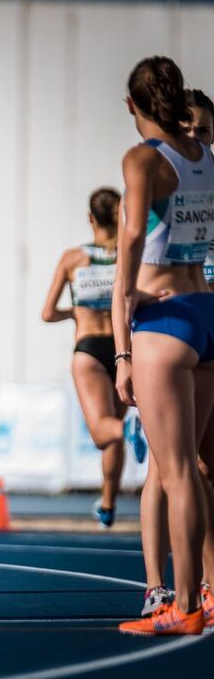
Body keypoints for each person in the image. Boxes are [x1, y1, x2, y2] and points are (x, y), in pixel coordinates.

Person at [114, 57, 214, 636]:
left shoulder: (142, 159)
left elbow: (130, 244)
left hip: (164, 320)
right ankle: (207, 593)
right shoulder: (204, 154)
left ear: (133, 105)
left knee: (175, 473)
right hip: (206, 312)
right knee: (198, 471)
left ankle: (185, 605)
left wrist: (121, 349)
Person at [42, 188, 143, 528]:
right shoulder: (128, 256)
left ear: (90, 219)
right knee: (113, 432)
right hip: (122, 349)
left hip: (88, 348)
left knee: (104, 432)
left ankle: (130, 429)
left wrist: (74, 312)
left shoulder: (73, 259)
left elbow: (47, 313)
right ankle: (108, 504)